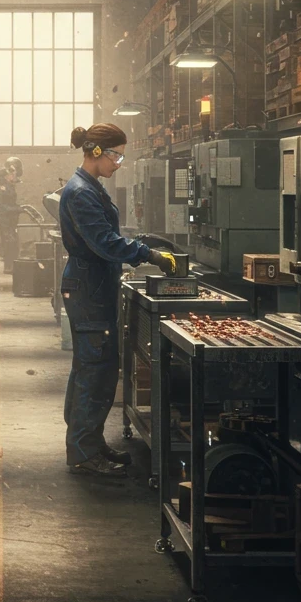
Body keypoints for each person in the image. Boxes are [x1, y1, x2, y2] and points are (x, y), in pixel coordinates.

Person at [58, 123, 178, 478]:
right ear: (96, 152)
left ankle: (89, 442)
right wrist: (148, 254)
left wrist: (141, 243)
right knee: (95, 370)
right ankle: (82, 450)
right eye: (116, 155)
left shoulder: (89, 187)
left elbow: (106, 236)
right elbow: (105, 244)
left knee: (92, 367)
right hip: (89, 286)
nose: (119, 164)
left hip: (92, 284)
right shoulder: (81, 192)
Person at [0, 156, 24, 273]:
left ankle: (11, 265)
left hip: (10, 218)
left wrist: (18, 208)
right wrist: (17, 209)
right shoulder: (3, 186)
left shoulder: (9, 185)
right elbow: (1, 206)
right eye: (14, 174)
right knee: (10, 241)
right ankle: (9, 266)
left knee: (11, 241)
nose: (15, 177)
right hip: (5, 218)